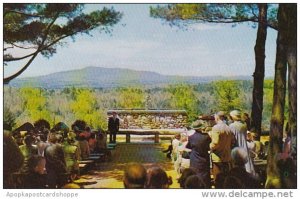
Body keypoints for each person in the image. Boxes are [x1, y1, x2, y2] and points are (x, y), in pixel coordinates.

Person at [210, 111, 236, 183]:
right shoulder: (228, 128)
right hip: (227, 156)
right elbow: (233, 141)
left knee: (218, 179)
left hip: (218, 157)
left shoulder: (216, 128)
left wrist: (209, 147)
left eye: (215, 116)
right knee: (226, 179)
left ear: (218, 117)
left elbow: (215, 142)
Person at [229, 110, 256, 175]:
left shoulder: (232, 126)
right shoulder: (243, 125)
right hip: (244, 146)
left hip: (236, 146)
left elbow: (231, 138)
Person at [186, 121, 212, 188]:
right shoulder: (206, 137)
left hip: (194, 158)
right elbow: (209, 147)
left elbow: (188, 146)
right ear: (201, 128)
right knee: (205, 175)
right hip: (204, 158)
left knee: (194, 174)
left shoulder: (191, 137)